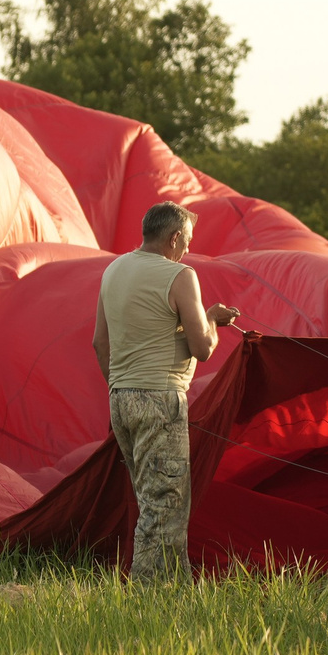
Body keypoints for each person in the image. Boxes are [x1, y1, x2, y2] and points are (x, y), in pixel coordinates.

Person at [93, 201, 242, 582]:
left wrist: (120, 386)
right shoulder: (180, 275)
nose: (188, 249)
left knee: (150, 500)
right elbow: (202, 348)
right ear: (174, 237)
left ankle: (173, 589)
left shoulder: (113, 270)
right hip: (160, 400)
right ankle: (146, 595)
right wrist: (212, 318)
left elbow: (99, 343)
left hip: (121, 398)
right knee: (164, 507)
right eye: (187, 241)